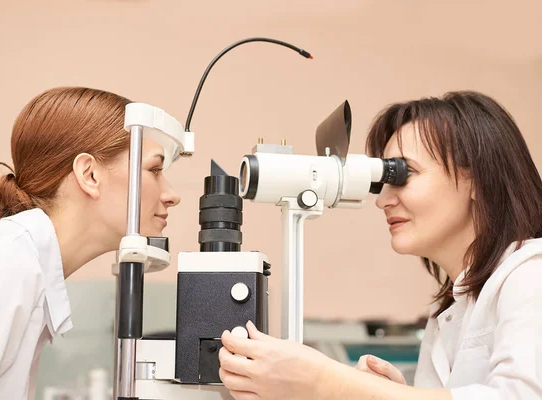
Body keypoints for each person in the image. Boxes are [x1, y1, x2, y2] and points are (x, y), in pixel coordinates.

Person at [218, 90, 542, 400]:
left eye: (404, 174)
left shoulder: (530, 274)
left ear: (477, 179)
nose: (383, 201)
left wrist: (328, 383)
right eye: (384, 182)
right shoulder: (447, 313)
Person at [0, 87, 181, 399]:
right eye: (155, 170)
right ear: (89, 175)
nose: (171, 194)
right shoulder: (1, 263)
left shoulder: (23, 266)